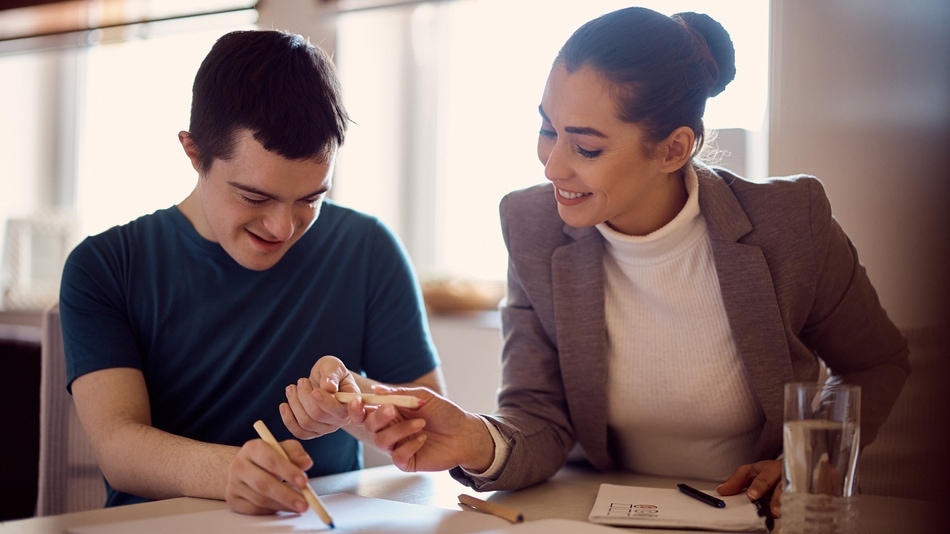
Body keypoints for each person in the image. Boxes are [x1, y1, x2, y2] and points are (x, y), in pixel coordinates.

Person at [356, 6, 909, 518]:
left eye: (587, 147)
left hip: (749, 517)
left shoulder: (791, 221)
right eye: (548, 128)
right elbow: (538, 415)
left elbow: (874, 361)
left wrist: (806, 463)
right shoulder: (530, 225)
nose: (553, 166)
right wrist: (479, 439)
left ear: (673, 149)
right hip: (593, 514)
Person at [59, 29, 444, 515]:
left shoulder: (366, 248)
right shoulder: (106, 266)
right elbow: (118, 448)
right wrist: (231, 471)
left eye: (310, 199)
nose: (283, 227)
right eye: (255, 197)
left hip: (317, 522)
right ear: (194, 153)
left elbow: (427, 414)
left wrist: (354, 404)